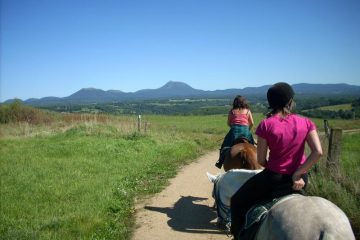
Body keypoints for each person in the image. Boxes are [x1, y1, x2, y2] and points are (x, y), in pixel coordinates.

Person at [230, 82, 323, 239]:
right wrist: (299, 173)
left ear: (271, 103)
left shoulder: (266, 125)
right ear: (290, 101)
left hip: (274, 179)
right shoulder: (306, 122)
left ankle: (239, 235)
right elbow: (318, 152)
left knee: (237, 200)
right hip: (300, 179)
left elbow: (260, 160)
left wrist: (270, 164)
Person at [215, 95, 255, 169]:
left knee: (225, 146)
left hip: (234, 131)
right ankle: (259, 158)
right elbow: (252, 123)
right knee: (252, 145)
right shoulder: (248, 111)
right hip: (246, 130)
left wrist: (233, 127)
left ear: (235, 103)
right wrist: (247, 130)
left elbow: (228, 123)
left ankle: (220, 162)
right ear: (244, 102)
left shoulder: (232, 111)